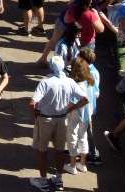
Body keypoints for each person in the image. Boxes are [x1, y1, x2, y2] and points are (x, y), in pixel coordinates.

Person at [29, 55, 90, 192]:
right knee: (60, 151)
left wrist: (35, 112)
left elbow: (32, 103)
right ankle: (59, 178)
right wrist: (71, 108)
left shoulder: (45, 83)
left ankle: (43, 181)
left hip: (45, 119)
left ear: (51, 67)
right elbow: (85, 99)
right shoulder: (70, 82)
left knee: (42, 151)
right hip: (62, 119)